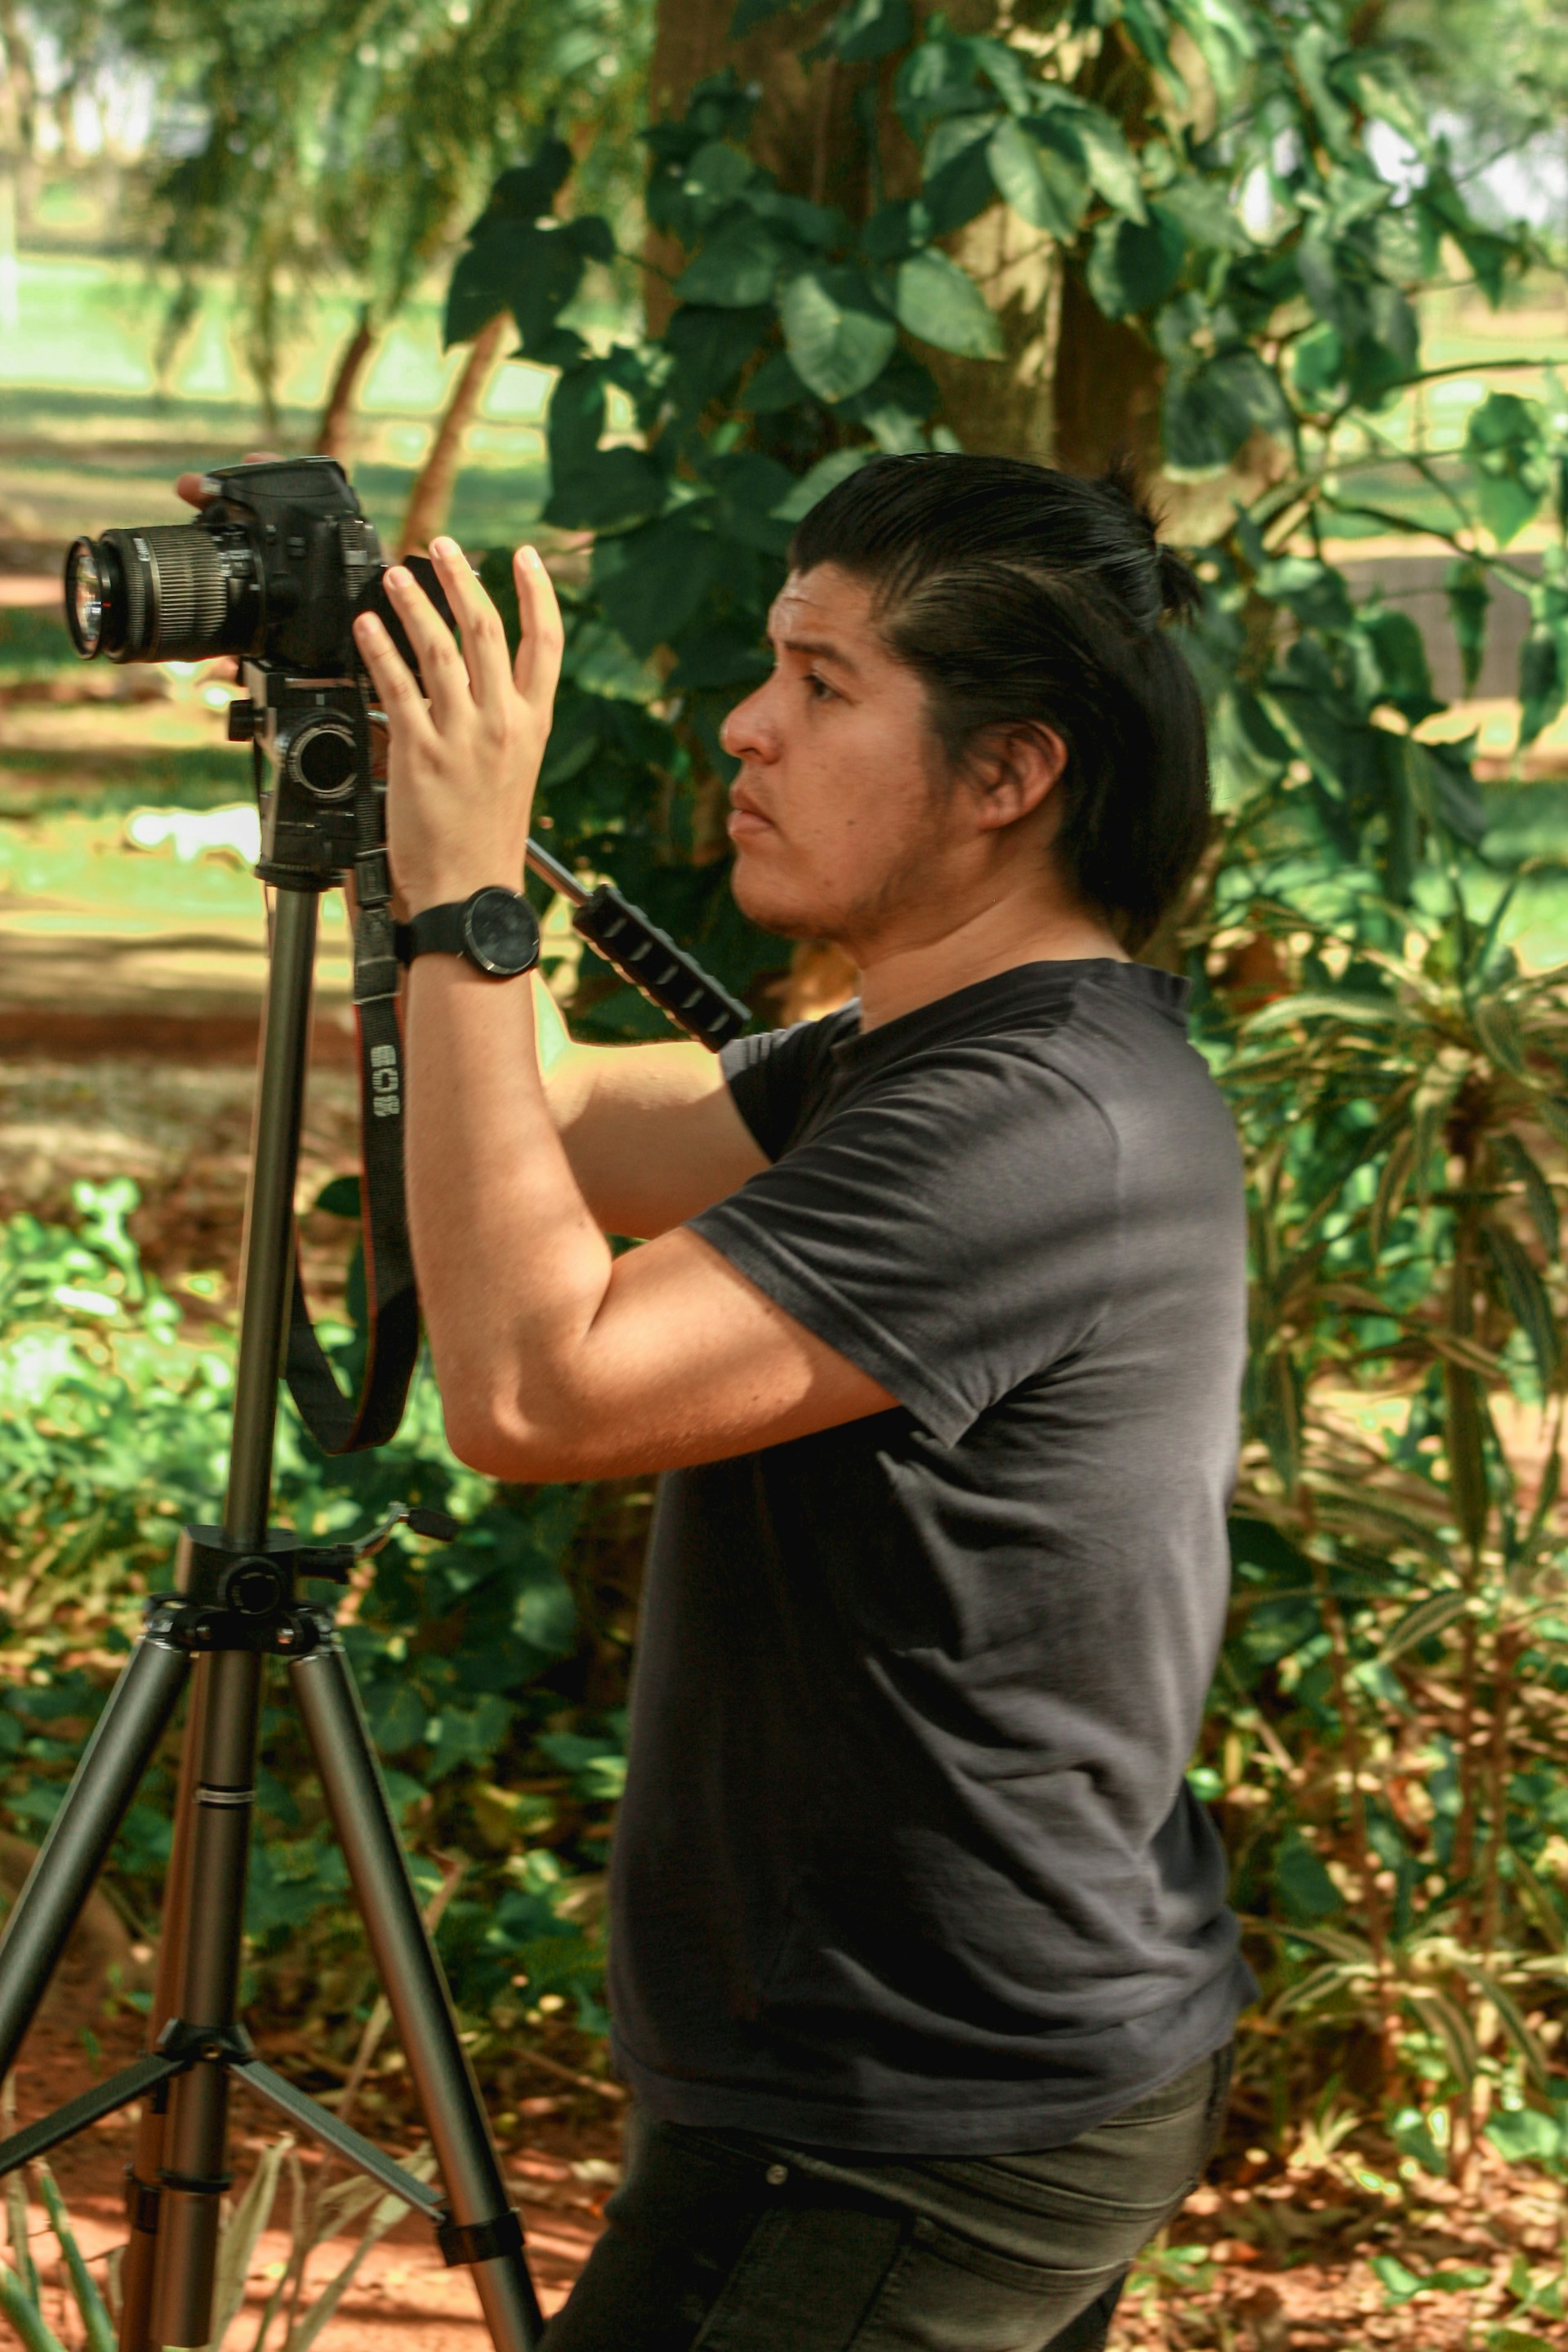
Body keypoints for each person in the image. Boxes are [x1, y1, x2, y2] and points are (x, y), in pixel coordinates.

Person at [346, 452, 1253, 2352]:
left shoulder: (1025, 1125)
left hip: (907, 2111)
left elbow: (533, 1387)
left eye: (827, 687)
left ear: (1011, 775)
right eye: (776, 666)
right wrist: (390, 819)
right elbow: (579, 1122)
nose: (749, 727)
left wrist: (471, 902)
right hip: (965, 2056)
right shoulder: (944, 1047)